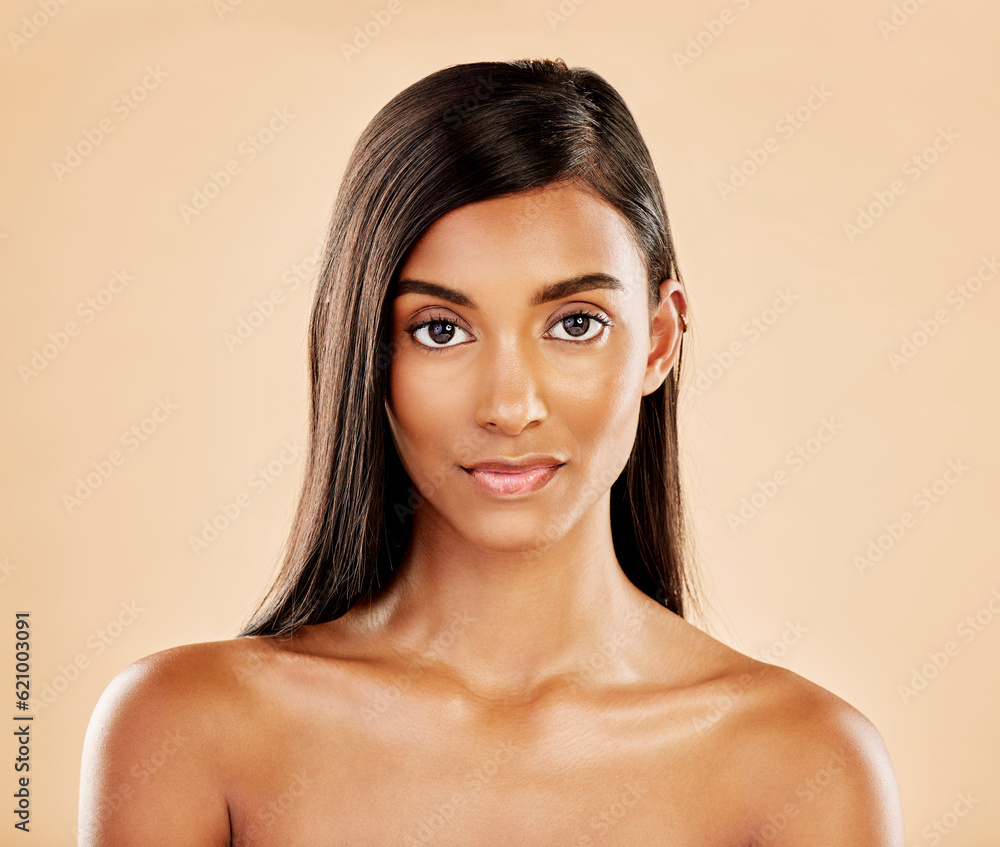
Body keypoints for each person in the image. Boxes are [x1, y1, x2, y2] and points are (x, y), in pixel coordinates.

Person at [79, 58, 904, 845]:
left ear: (659, 340)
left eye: (575, 323)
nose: (510, 406)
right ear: (368, 350)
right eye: (441, 329)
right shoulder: (185, 733)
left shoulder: (809, 766)